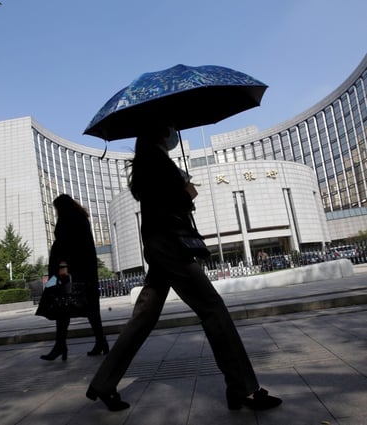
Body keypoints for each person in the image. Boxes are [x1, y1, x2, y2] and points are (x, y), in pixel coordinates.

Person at [85, 126, 282, 412]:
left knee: (143, 318)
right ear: (159, 133)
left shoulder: (147, 161)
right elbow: (167, 205)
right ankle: (243, 388)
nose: (173, 132)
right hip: (170, 246)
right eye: (169, 127)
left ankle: (103, 384)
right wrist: (187, 193)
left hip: (160, 246)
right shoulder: (156, 161)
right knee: (213, 308)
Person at [40, 194, 109, 361]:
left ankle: (60, 346)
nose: (55, 212)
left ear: (61, 207)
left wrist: (63, 266)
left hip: (65, 272)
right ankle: (100, 342)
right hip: (83, 271)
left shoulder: (68, 219)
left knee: (60, 305)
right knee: (89, 307)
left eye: (56, 208)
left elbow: (65, 245)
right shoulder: (81, 218)